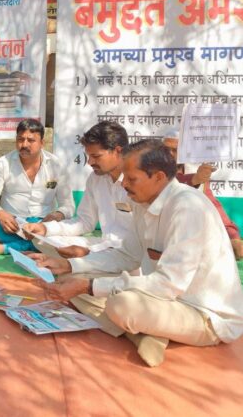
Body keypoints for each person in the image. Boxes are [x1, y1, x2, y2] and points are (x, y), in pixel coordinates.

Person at [30, 140, 243, 367]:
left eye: (132, 179)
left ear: (159, 177)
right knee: (69, 280)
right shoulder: (144, 203)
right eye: (125, 178)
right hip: (160, 300)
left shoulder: (187, 208)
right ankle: (143, 333)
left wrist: (89, 286)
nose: (124, 186)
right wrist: (70, 266)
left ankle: (140, 329)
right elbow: (126, 256)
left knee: (121, 305)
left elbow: (168, 285)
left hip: (203, 315)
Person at [24, 121, 138, 259]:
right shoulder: (96, 178)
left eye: (96, 156)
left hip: (129, 253)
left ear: (118, 151)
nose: (90, 162)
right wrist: (46, 228)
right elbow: (84, 221)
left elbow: (142, 241)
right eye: (88, 156)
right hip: (104, 245)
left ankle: (81, 266)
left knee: (78, 258)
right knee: (41, 239)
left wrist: (90, 251)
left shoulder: (138, 181)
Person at [0, 118, 75, 256]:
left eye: (31, 140)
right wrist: (1, 214)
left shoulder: (56, 165)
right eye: (20, 139)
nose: (24, 144)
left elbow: (69, 206)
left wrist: (56, 215)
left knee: (66, 229)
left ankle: (5, 248)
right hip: (12, 224)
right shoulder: (3, 163)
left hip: (42, 224)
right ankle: (37, 245)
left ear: (42, 143)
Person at [162, 129, 242, 260]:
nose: (169, 155)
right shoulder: (153, 171)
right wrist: (193, 181)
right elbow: (168, 189)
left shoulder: (194, 171)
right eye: (166, 150)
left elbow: (213, 207)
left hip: (191, 242)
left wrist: (233, 235)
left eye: (175, 150)